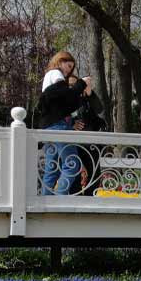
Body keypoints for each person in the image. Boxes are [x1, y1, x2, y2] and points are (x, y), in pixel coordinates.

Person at [39, 51, 89, 196]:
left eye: (71, 68)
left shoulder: (49, 77)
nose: (68, 70)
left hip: (48, 126)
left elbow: (63, 102)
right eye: (68, 65)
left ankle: (45, 201)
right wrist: (82, 83)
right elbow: (66, 96)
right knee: (72, 164)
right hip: (58, 126)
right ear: (60, 62)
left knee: (52, 168)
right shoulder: (56, 73)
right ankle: (59, 199)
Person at [67, 75, 107, 196]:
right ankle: (75, 198)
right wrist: (72, 125)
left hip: (91, 143)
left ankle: (91, 199)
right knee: (74, 171)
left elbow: (100, 109)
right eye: (70, 85)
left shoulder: (88, 98)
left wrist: (90, 93)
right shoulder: (65, 101)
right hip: (72, 142)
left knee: (94, 171)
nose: (74, 87)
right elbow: (58, 118)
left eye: (76, 84)